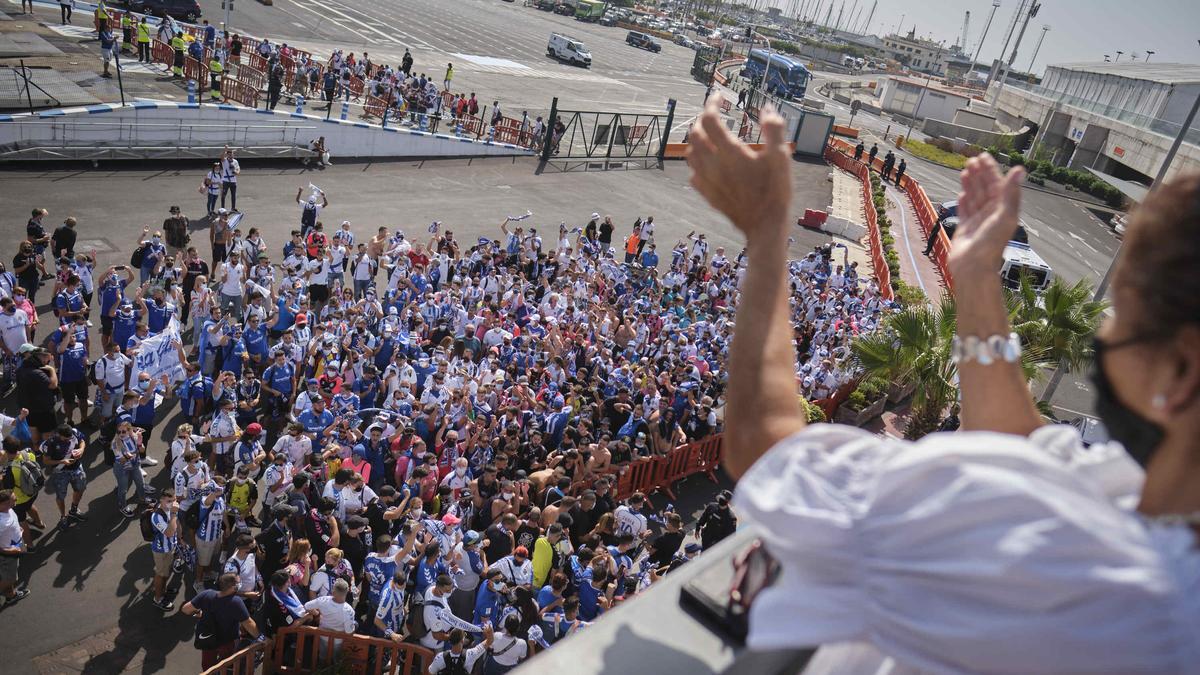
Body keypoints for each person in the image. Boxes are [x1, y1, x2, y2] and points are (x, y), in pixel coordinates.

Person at [687, 95, 1200, 671]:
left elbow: (767, 448)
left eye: (1120, 318)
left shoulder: (1061, 552)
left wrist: (764, 230)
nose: (1104, 337)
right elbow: (1021, 441)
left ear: (1181, 371)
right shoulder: (1152, 515)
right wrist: (978, 278)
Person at [181, 573, 262, 670]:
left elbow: (186, 609)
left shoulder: (206, 594)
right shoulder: (235, 602)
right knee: (226, 663)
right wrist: (261, 638)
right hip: (226, 641)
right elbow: (248, 623)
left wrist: (199, 612)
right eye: (238, 582)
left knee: (208, 665)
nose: (240, 584)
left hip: (207, 638)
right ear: (232, 587)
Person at [148, 488, 180, 611]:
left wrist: (180, 539)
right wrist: (173, 514)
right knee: (160, 574)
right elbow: (170, 532)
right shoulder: (157, 516)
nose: (173, 503)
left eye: (174, 500)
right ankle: (158, 598)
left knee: (166, 572)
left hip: (170, 547)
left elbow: (178, 525)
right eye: (169, 501)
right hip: (161, 551)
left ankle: (163, 590)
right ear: (162, 500)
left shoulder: (170, 510)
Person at [0, 490, 29, 606]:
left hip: (16, 544)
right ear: (4, 504)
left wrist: (18, 531)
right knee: (10, 579)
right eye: (13, 499)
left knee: (8, 575)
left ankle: (11, 596)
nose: (16, 499)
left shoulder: (8, 509)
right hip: (7, 554)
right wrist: (9, 551)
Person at [428, 626, 493, 674]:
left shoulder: (439, 657)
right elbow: (489, 641)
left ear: (450, 641)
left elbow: (431, 672)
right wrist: (490, 632)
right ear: (462, 640)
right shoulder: (471, 654)